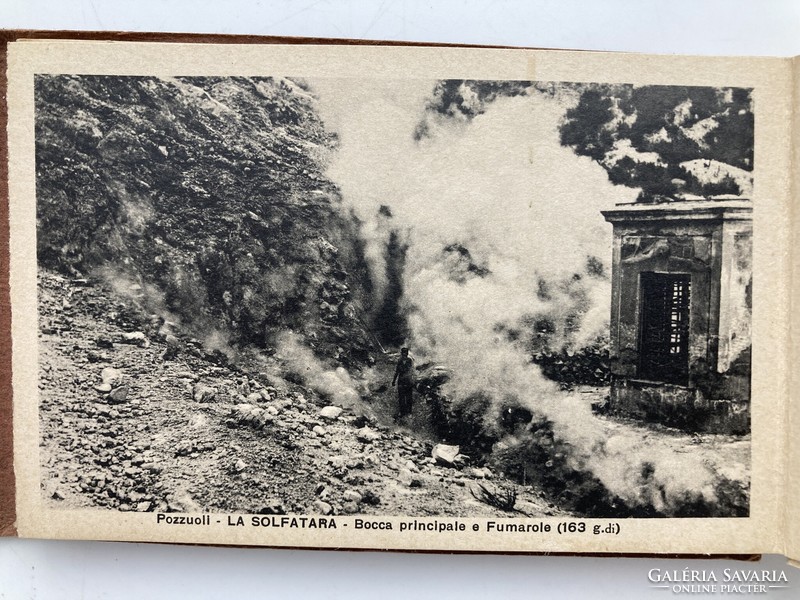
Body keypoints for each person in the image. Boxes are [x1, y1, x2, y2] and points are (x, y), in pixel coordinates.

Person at [391, 347, 415, 419]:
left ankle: (407, 412)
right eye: (404, 353)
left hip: (405, 381)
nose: (404, 354)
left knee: (406, 397)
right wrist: (394, 380)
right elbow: (398, 371)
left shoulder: (406, 361)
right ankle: (405, 412)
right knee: (404, 397)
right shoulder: (403, 361)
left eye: (405, 353)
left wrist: (394, 380)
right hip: (403, 381)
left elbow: (410, 372)